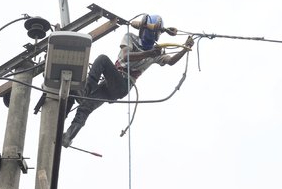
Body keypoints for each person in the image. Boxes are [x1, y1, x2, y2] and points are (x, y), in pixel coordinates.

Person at [62, 14, 194, 147]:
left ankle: (84, 92)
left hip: (123, 85)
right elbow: (126, 56)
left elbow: (170, 61)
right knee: (85, 107)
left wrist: (185, 48)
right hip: (111, 83)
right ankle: (68, 136)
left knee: (102, 60)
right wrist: (148, 53)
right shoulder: (131, 38)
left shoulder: (156, 52)